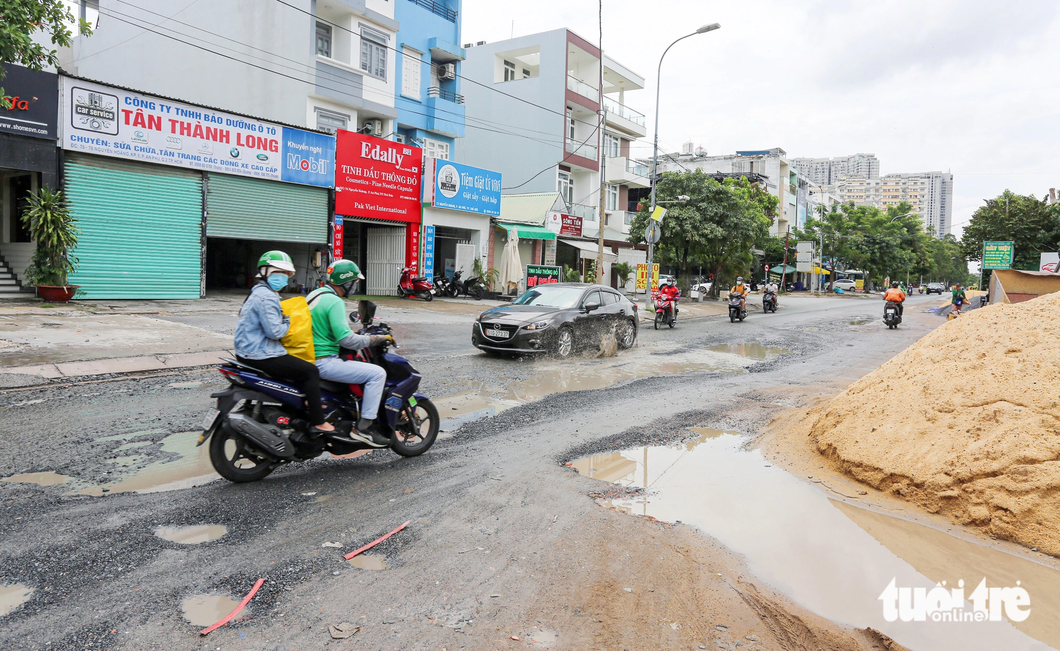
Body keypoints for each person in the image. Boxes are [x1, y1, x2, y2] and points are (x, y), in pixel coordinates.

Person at [234, 251, 334, 436]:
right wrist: (287, 321)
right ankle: (318, 421)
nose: (283, 278)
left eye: (285, 274)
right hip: (261, 353)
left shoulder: (257, 292)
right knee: (310, 371)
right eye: (278, 272)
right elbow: (275, 332)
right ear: (265, 272)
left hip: (246, 351)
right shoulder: (268, 297)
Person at [308, 259, 392, 448]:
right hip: (323, 361)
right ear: (346, 282)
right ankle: (364, 427)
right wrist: (377, 339)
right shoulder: (334, 301)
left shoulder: (316, 295)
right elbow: (347, 340)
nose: (355, 287)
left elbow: (326, 330)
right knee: (377, 374)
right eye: (354, 282)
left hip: (307, 356)